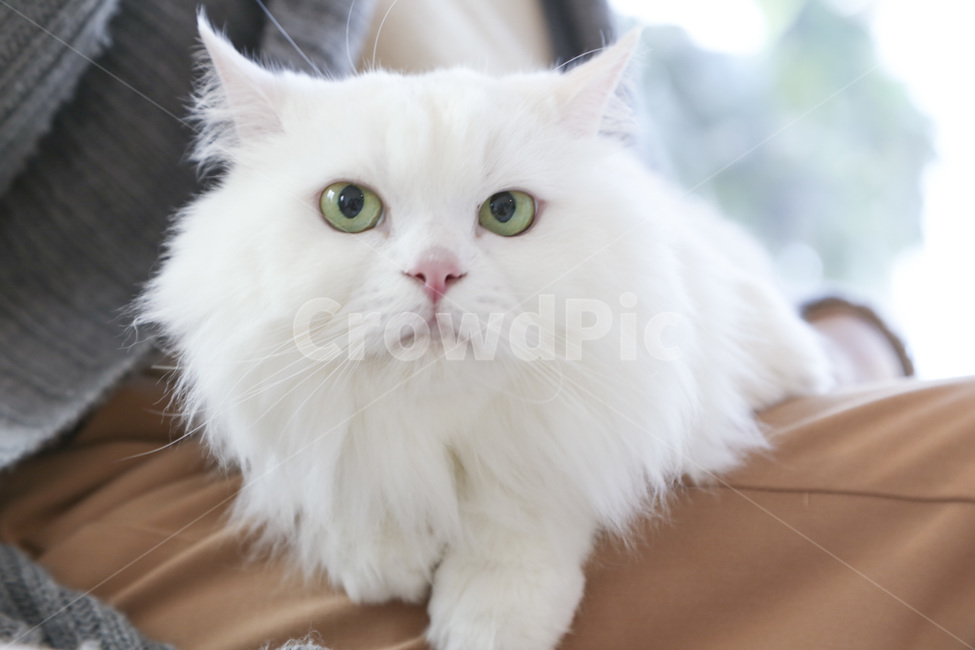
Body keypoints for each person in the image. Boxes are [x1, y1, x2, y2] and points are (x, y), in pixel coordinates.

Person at [0, 1, 971, 649]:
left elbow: (691, 298)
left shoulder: (587, 87)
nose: (432, 267)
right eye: (352, 206)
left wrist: (531, 518)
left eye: (502, 212)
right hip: (122, 456)